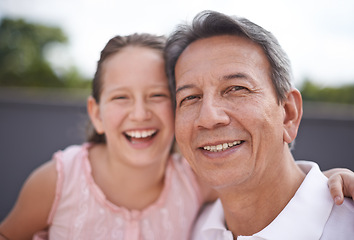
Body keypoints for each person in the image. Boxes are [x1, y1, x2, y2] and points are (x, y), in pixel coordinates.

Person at [0, 32, 352, 240]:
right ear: (96, 113)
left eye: (159, 96)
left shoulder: (192, 181)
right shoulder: (59, 179)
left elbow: (266, 180)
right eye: (121, 96)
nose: (140, 113)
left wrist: (326, 180)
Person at [165, 10, 354, 240]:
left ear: (288, 114)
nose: (208, 117)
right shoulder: (186, 229)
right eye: (190, 98)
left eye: (236, 89)